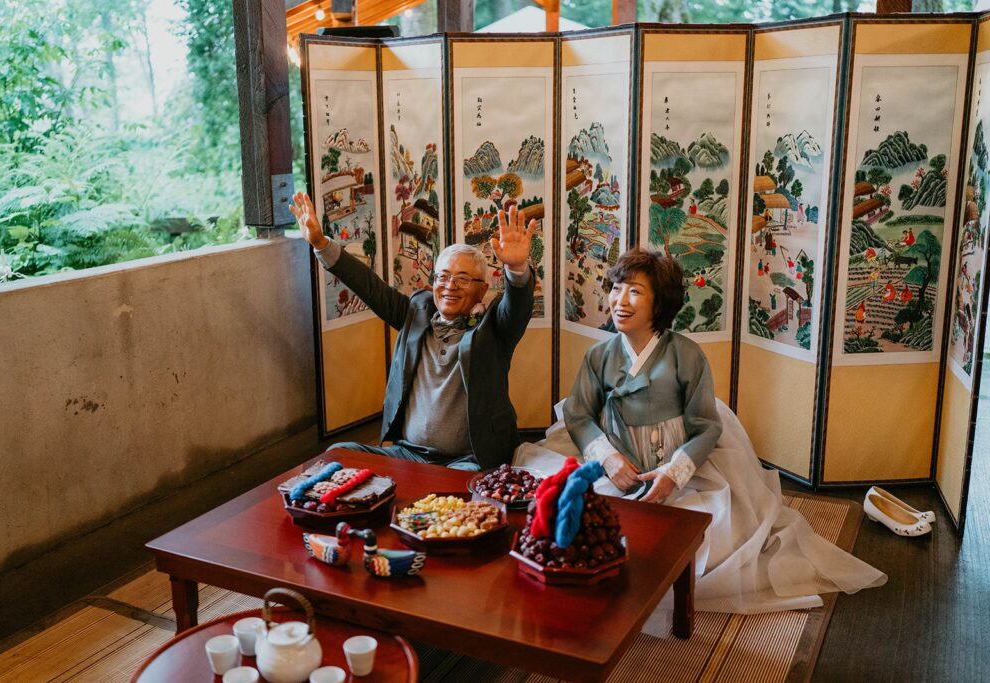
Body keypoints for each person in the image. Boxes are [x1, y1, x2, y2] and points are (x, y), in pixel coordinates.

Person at [516, 248, 885, 623]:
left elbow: (706, 426)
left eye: (635, 292)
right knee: (574, 524)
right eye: (616, 288)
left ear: (660, 302)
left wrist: (674, 472)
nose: (619, 300)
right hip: (617, 464)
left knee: (709, 539)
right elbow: (578, 414)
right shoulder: (599, 355)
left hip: (681, 467)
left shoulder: (686, 355)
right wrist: (608, 458)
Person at [290, 191, 537, 471]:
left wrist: (516, 268)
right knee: (338, 455)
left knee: (458, 494)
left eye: (463, 279)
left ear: (482, 289)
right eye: (443, 276)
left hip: (467, 461)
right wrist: (321, 243)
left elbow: (517, 306)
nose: (449, 285)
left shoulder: (495, 329)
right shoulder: (415, 314)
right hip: (408, 454)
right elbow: (370, 287)